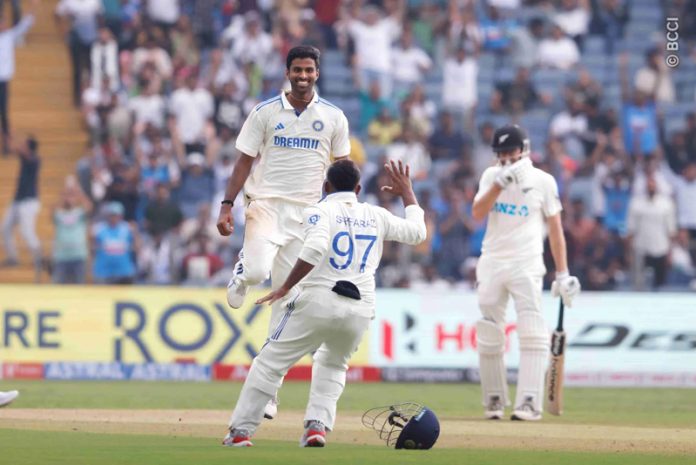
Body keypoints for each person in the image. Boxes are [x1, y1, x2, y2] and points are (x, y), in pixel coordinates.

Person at [222, 159, 426, 447]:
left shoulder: (318, 211)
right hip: (361, 307)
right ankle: (316, 427)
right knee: (333, 365)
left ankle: (240, 431)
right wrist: (407, 193)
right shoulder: (376, 214)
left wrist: (285, 287)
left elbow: (316, 248)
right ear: (357, 188)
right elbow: (418, 233)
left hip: (318, 298)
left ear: (326, 186)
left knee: (269, 364)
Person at [216, 45, 351, 419]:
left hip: (308, 214)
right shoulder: (264, 113)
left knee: (286, 299)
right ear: (287, 72)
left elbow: (342, 170)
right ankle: (244, 272)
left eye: (309, 70)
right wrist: (227, 205)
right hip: (267, 205)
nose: (303, 76)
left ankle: (269, 390)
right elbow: (244, 160)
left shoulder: (334, 117)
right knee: (260, 273)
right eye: (297, 70)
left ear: (318, 72)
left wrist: (341, 211)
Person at [471, 125, 580, 421]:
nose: (506, 158)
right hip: (492, 261)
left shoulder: (543, 181)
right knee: (489, 330)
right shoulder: (490, 176)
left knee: (532, 331)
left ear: (524, 149)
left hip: (526, 263)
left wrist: (562, 273)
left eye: (510, 152)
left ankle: (529, 402)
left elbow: (555, 229)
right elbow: (477, 213)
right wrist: (498, 185)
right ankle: (494, 400)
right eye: (501, 153)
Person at [0, 2, 35, 153]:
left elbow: (24, 26)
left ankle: (6, 144)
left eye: (4, 23)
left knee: (4, 113)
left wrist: (33, 9)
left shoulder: (9, 36)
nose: (4, 25)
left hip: (4, 80)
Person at [1, 135, 41, 267]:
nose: (22, 147)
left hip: (29, 201)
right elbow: (11, 151)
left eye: (25, 145)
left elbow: (22, 153)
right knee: (4, 228)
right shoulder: (26, 158)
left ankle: (38, 258)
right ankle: (13, 257)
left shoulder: (35, 160)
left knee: (27, 231)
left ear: (30, 148)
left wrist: (12, 142)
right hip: (18, 200)